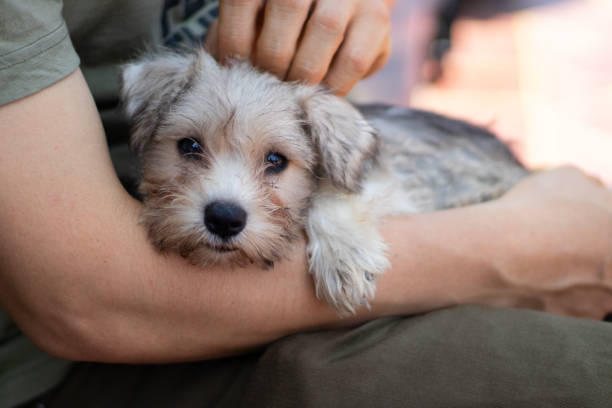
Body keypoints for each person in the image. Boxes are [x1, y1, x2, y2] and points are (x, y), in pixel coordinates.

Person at [1, 1, 611, 407]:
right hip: (82, 360)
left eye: (273, 164)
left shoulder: (327, 141)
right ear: (152, 125)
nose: (227, 198)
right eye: (190, 148)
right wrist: (520, 252)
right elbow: (83, 305)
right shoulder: (154, 91)